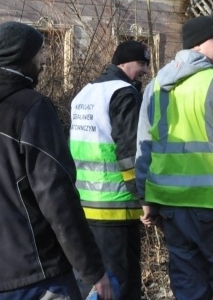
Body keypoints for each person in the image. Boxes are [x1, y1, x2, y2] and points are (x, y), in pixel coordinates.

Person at [0, 21, 112, 300]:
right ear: (26, 57)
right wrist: (93, 269)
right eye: (40, 53)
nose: (44, 61)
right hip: (33, 273)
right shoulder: (32, 108)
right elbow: (57, 196)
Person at [135, 16, 213, 300]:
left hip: (171, 207)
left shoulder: (154, 86)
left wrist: (145, 199)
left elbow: (143, 145)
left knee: (189, 288)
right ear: (198, 45)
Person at [70, 40, 150, 300]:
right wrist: (142, 198)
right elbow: (129, 154)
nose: (145, 71)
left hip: (85, 204)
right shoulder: (124, 93)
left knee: (94, 282)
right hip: (116, 207)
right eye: (142, 64)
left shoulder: (84, 93)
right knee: (121, 284)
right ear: (123, 62)